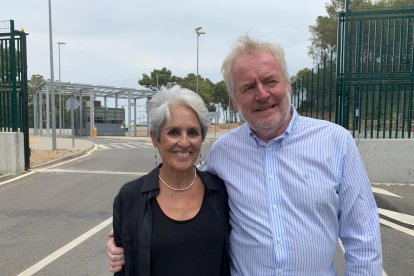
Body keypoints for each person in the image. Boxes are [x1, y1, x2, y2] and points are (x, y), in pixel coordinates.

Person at [108, 35, 382, 275]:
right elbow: (189, 207)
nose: (262, 94)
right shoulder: (224, 153)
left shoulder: (336, 142)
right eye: (248, 87)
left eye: (270, 81)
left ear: (288, 84)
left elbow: (363, 239)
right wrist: (129, 241)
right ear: (234, 100)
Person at [111, 85, 230, 275]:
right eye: (173, 132)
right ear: (155, 138)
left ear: (202, 138)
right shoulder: (130, 197)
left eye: (193, 132)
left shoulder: (220, 191)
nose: (184, 142)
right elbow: (124, 266)